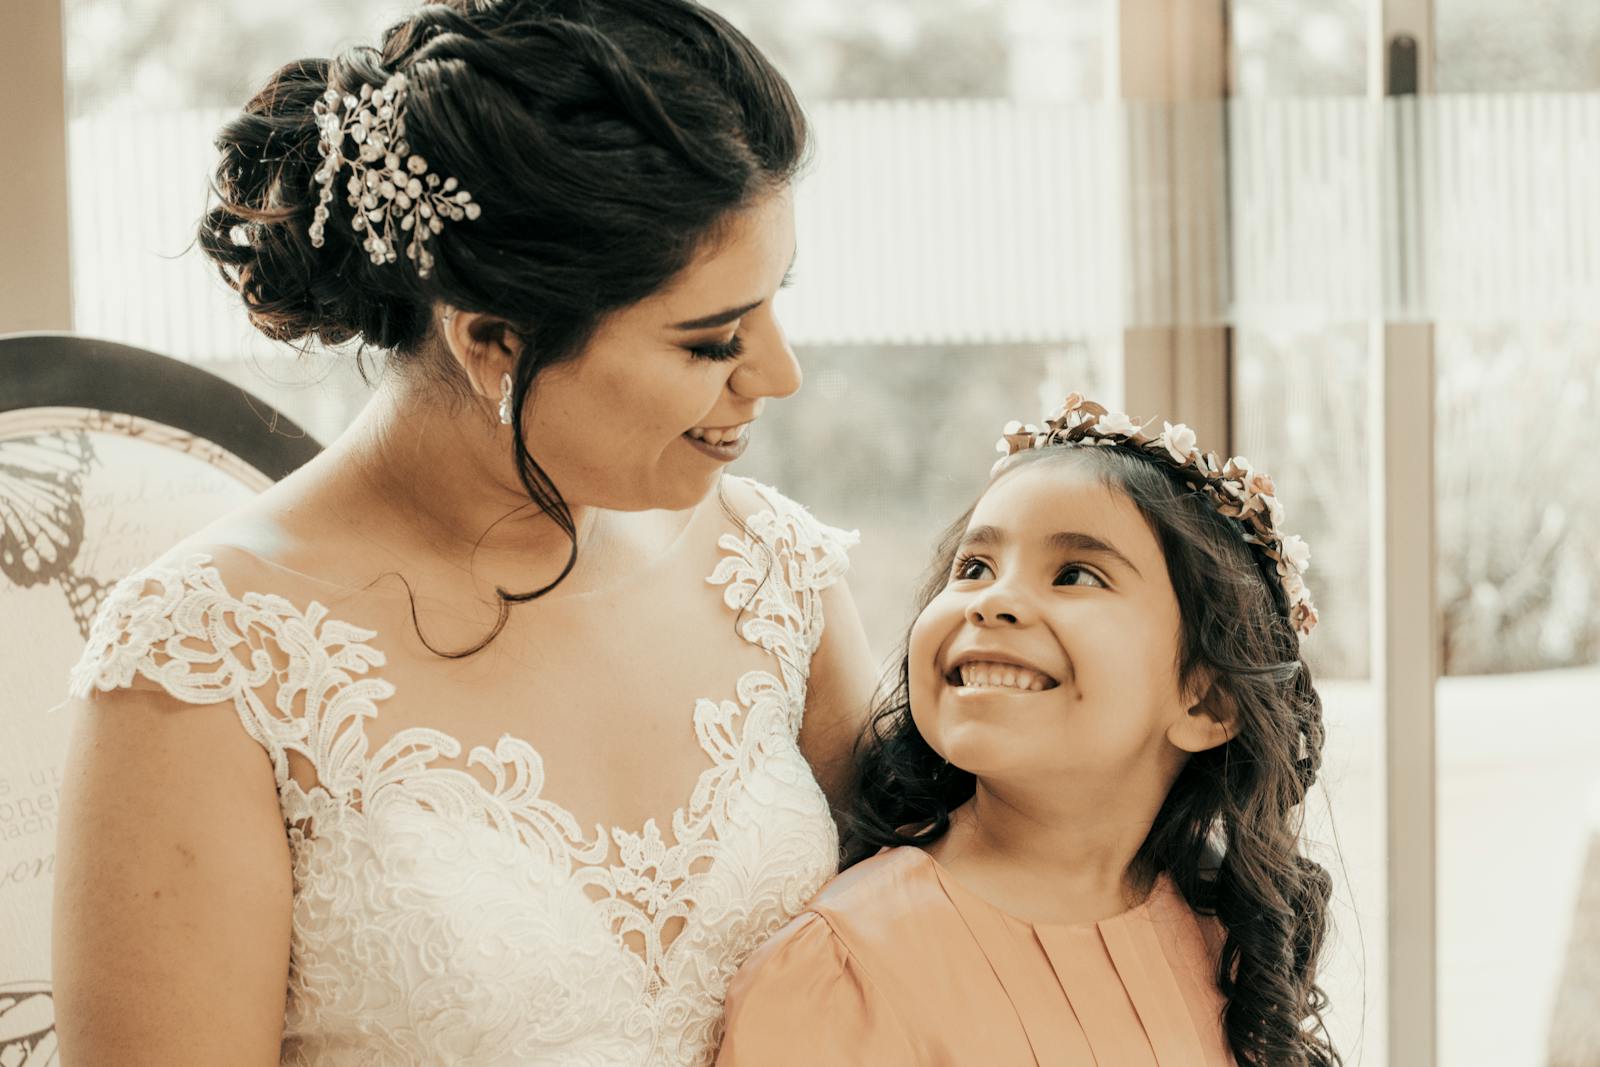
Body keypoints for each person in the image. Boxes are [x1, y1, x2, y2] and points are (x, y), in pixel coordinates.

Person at [50, 2, 878, 1064]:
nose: (780, 375)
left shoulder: (774, 573)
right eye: (712, 340)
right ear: (493, 339)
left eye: (771, 304)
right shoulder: (205, 665)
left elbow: (941, 936)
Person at [717, 394, 1339, 1067]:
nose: (994, 600)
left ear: (1208, 701)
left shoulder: (1219, 938)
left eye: (1075, 574)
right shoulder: (840, 971)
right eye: (974, 567)